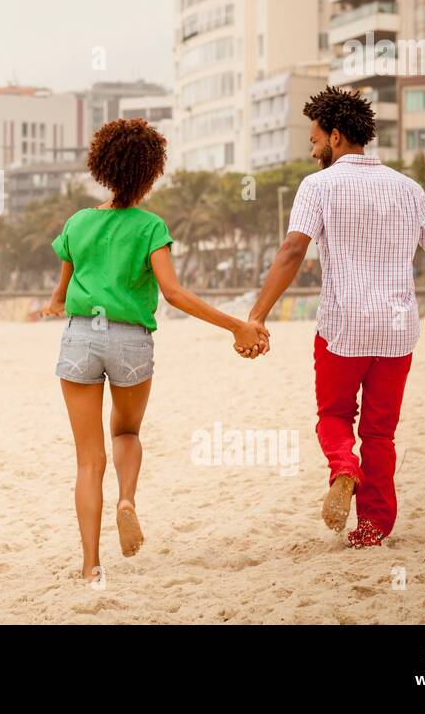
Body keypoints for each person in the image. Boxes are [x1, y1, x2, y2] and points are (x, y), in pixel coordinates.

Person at [42, 118, 269, 582]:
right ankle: (127, 499)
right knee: (125, 434)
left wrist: (55, 306)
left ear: (102, 167)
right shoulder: (150, 226)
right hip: (129, 340)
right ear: (150, 173)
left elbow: (60, 295)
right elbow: (174, 294)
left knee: (88, 460)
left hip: (81, 336)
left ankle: (90, 566)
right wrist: (235, 326)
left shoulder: (78, 223)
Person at [248, 87, 425, 548]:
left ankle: (343, 468)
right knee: (380, 433)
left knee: (333, 415)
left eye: (314, 139)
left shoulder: (318, 186)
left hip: (343, 328)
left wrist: (257, 314)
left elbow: (293, 250)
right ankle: (371, 529)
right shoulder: (408, 187)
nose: (312, 149)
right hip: (397, 332)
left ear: (336, 137)